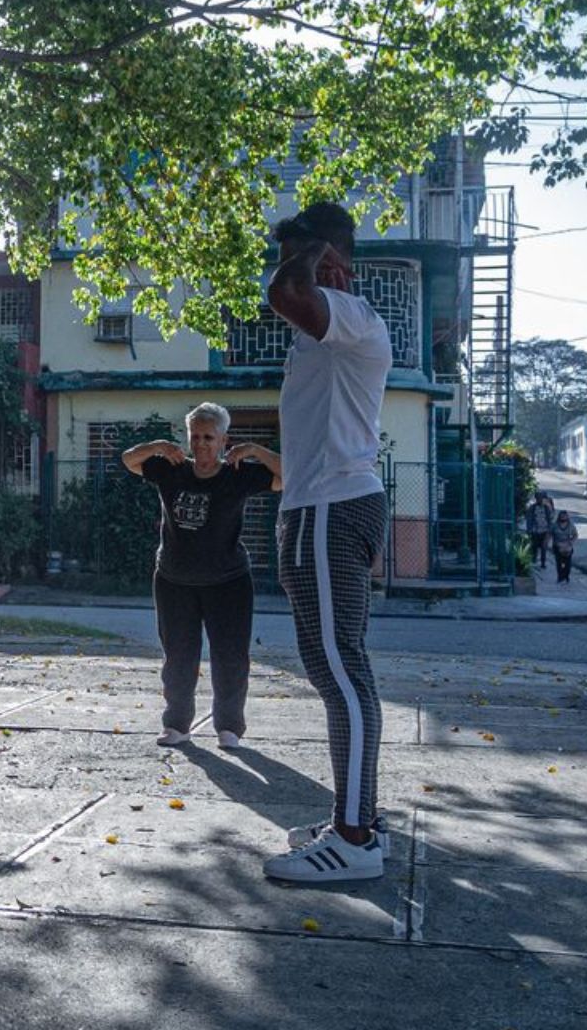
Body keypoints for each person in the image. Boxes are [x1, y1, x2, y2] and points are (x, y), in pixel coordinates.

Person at [258, 201, 394, 884]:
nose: (281, 273)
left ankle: (355, 837)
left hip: (331, 508)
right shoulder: (330, 333)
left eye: (298, 256)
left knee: (343, 674)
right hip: (323, 506)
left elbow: (286, 291)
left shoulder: (352, 320)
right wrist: (308, 255)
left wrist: (315, 258)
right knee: (336, 670)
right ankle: (356, 814)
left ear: (330, 264)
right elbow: (288, 290)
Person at [122, 402, 281, 751]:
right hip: (174, 580)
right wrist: (158, 446)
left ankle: (229, 727)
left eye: (209, 437)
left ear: (224, 440)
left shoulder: (238, 474)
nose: (201, 444)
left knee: (231, 657)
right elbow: (129, 460)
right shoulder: (171, 470)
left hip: (229, 583)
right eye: (196, 436)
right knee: (178, 656)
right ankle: (177, 724)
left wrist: (254, 450)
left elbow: (289, 475)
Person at [524, 492, 554, 569]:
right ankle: (534, 559)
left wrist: (550, 530)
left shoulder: (546, 508)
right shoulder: (532, 508)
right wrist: (529, 530)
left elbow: (550, 519)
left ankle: (543, 562)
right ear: (536, 499)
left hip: (545, 530)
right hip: (535, 530)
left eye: (541, 498)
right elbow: (529, 519)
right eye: (538, 498)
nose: (540, 500)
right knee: (535, 546)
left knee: (544, 547)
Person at [552, 510, 579, 584]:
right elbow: (550, 534)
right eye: (562, 516)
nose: (563, 517)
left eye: (565, 516)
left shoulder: (571, 525)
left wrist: (571, 542)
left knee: (568, 564)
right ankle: (560, 577)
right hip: (557, 545)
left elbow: (575, 535)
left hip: (568, 546)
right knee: (559, 563)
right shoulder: (555, 525)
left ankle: (566, 576)